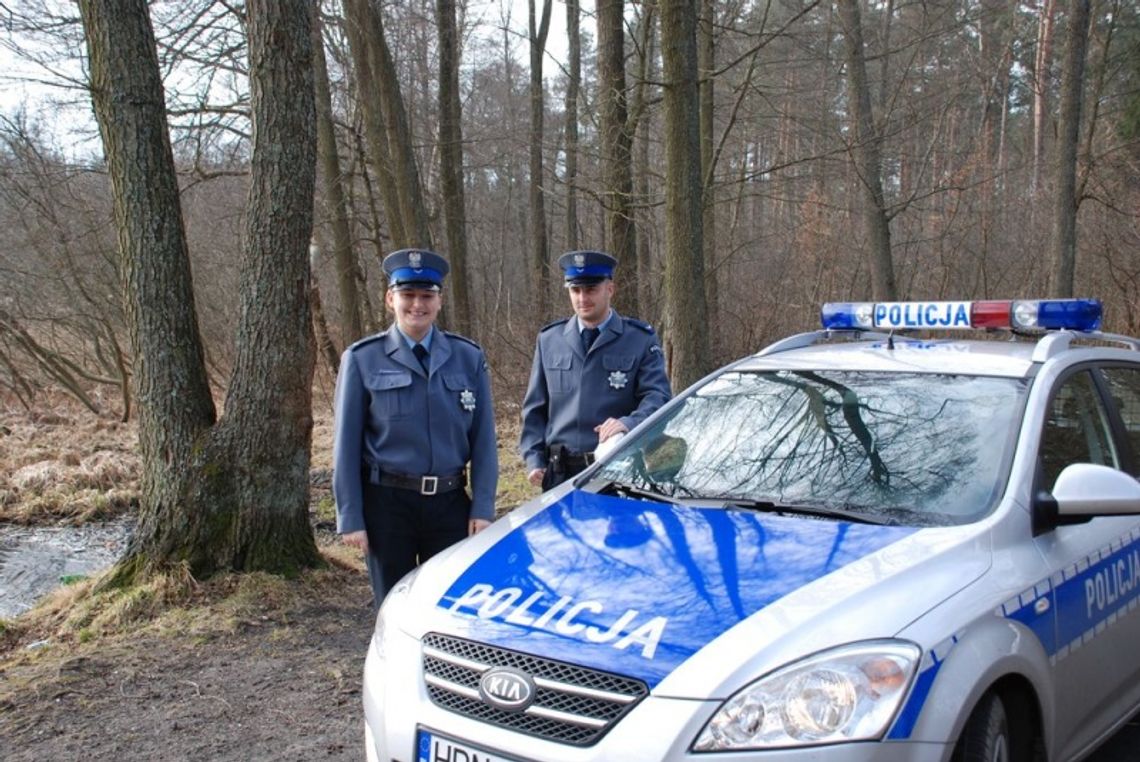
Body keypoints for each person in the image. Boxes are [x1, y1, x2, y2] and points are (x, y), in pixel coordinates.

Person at [333, 248, 498, 606]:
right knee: (393, 605)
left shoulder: (468, 357)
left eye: (427, 296)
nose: (417, 305)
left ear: (440, 301)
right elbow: (345, 445)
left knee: (450, 605)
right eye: (408, 295)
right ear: (390, 299)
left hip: (450, 504)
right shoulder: (362, 359)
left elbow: (484, 439)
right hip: (387, 506)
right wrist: (351, 515)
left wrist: (483, 508)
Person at [520, 250, 671, 490]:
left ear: (609, 289)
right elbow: (535, 409)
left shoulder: (639, 339)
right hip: (560, 472)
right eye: (575, 290)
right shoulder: (550, 340)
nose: (582, 298)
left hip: (619, 469)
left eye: (591, 289)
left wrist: (630, 423)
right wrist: (533, 458)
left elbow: (658, 397)